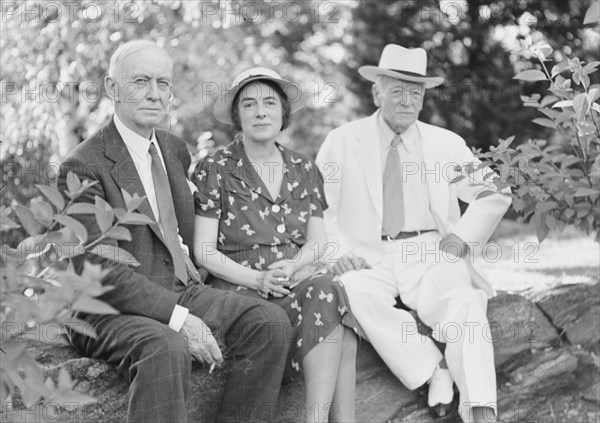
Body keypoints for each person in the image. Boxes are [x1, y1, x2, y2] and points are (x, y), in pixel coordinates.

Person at [57, 40, 291, 423]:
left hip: (182, 289)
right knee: (166, 346)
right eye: (141, 81)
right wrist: (179, 319)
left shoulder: (173, 148)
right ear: (112, 88)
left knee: (269, 323)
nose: (154, 93)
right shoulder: (83, 165)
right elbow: (97, 270)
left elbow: (192, 232)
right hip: (106, 309)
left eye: (162, 83)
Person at [316, 44, 512, 423]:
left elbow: (495, 191)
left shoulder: (445, 143)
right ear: (377, 92)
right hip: (367, 253)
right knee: (350, 292)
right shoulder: (342, 141)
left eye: (415, 92)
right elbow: (317, 208)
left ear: (423, 97)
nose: (407, 100)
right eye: (397, 90)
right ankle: (431, 369)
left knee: (465, 300)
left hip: (430, 251)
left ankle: (482, 410)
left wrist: (460, 242)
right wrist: (337, 252)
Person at [193, 67, 359, 423]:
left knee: (328, 288)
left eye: (269, 102)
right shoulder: (215, 167)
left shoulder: (304, 168)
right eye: (249, 104)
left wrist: (295, 266)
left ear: (283, 112)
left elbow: (318, 242)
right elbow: (203, 251)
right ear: (237, 115)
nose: (260, 111)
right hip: (237, 288)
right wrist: (257, 279)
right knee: (338, 321)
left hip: (290, 281)